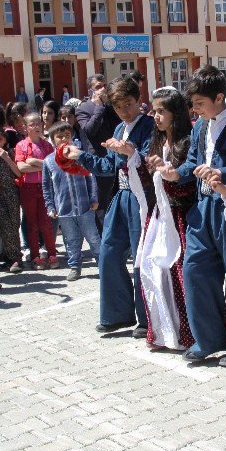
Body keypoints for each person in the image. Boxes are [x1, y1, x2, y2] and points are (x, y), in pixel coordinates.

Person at [153, 66, 226, 364]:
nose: (194, 109)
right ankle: (208, 339)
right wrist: (175, 173)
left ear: (219, 97)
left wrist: (221, 172)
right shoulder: (199, 127)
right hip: (202, 208)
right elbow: (192, 164)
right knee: (195, 270)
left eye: (199, 103)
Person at [68, 76, 155, 335]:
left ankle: (147, 317)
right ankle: (117, 314)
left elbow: (151, 162)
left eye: (128, 104)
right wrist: (81, 156)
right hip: (121, 197)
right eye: (118, 107)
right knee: (108, 252)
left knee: (141, 258)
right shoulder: (118, 129)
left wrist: (131, 152)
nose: (124, 112)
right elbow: (108, 166)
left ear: (139, 100)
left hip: (143, 198)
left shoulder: (149, 126)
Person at [138, 86, 195, 350]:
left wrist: (170, 175)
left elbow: (188, 185)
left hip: (180, 218)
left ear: (176, 113)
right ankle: (162, 331)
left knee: (177, 274)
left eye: (162, 111)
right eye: (154, 111)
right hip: (160, 216)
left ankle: (185, 334)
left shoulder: (187, 142)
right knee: (152, 271)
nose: (156, 116)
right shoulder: (158, 142)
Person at [44, 122, 101, 281]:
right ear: (53, 139)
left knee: (94, 238)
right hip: (64, 209)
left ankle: (103, 265)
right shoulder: (49, 161)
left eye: (67, 135)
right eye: (59, 136)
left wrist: (94, 198)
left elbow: (90, 177)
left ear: (72, 137)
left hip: (85, 206)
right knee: (71, 240)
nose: (63, 139)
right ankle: (75, 266)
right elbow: (47, 186)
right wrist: (50, 206)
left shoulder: (80, 155)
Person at [74, 74, 119, 224]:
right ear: (90, 91)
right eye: (98, 87)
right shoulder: (83, 109)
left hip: (115, 158)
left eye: (104, 85)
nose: (103, 89)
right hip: (97, 161)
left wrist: (109, 105)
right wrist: (99, 108)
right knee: (101, 203)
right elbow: (89, 130)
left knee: (115, 200)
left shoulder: (111, 107)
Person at [14, 113, 57, 269]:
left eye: (38, 123)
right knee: (32, 224)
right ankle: (35, 256)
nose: (37, 126)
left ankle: (52, 254)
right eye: (32, 124)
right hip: (28, 188)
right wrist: (42, 164)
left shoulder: (47, 145)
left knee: (46, 222)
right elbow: (21, 167)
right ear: (25, 128)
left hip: (45, 187)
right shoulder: (21, 146)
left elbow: (53, 165)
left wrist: (33, 162)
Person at [0, 127, 23, 272]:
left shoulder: (11, 153)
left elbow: (18, 173)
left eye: (0, 139)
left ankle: (16, 256)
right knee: (4, 226)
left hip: (12, 193)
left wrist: (7, 158)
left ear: (5, 140)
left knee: (14, 224)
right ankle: (10, 257)